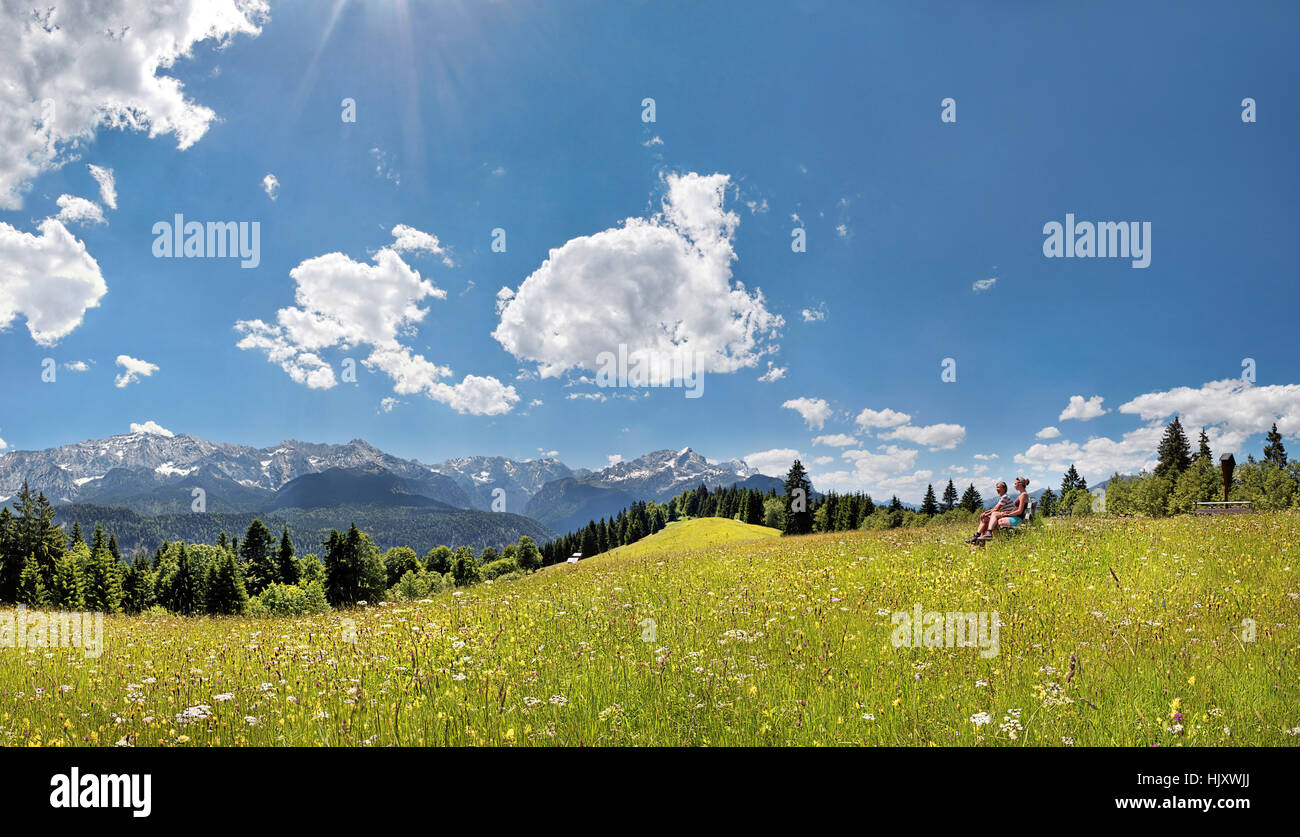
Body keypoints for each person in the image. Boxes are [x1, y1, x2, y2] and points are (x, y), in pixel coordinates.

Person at [972, 477, 1030, 542]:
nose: (1014, 485)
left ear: (1020, 484)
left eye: (1015, 484)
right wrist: (1008, 513)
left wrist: (1009, 514)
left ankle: (994, 538)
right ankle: (983, 538)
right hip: (1014, 517)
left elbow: (1020, 511)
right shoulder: (1022, 494)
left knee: (993, 517)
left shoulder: (1023, 495)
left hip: (1017, 519)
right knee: (989, 518)